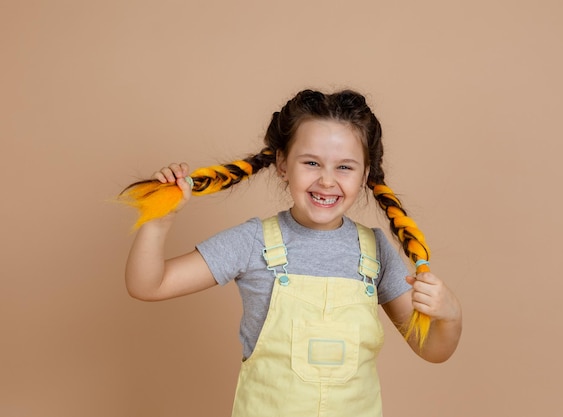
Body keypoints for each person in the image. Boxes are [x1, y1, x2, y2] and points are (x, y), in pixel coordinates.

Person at [121, 89, 462, 417]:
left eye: (344, 167)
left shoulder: (374, 250)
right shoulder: (252, 241)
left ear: (365, 175)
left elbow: (432, 349)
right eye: (312, 162)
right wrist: (157, 223)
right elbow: (149, 285)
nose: (327, 181)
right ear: (283, 164)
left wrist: (450, 315)